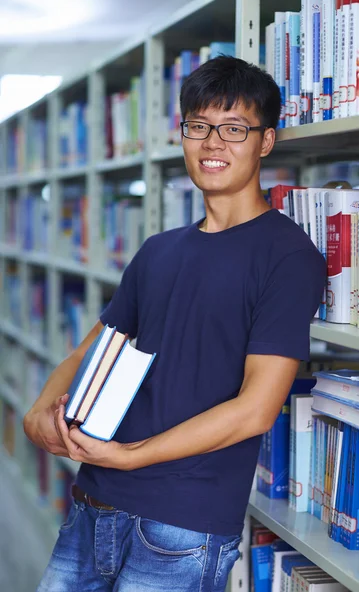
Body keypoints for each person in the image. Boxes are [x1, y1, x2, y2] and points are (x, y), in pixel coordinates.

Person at [24, 55, 326, 592]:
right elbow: (89, 352)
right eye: (198, 126)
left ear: (267, 141)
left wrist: (132, 455)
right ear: (182, 135)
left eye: (234, 128)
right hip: (93, 505)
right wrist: (42, 407)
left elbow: (255, 410)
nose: (213, 143)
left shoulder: (288, 256)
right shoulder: (159, 250)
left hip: (181, 526)